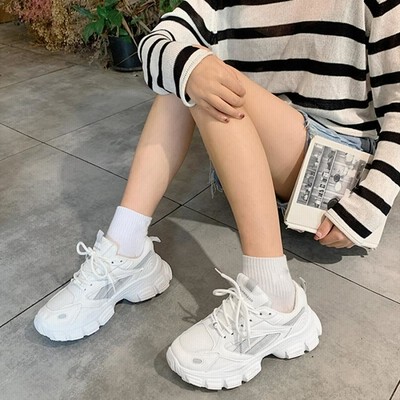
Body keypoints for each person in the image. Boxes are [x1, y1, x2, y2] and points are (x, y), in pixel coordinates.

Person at [34, 0, 400, 390]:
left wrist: (368, 206)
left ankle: (277, 298)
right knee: (186, 69)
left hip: (335, 174)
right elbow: (155, 43)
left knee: (208, 79)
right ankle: (126, 247)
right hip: (253, 162)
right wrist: (189, 69)